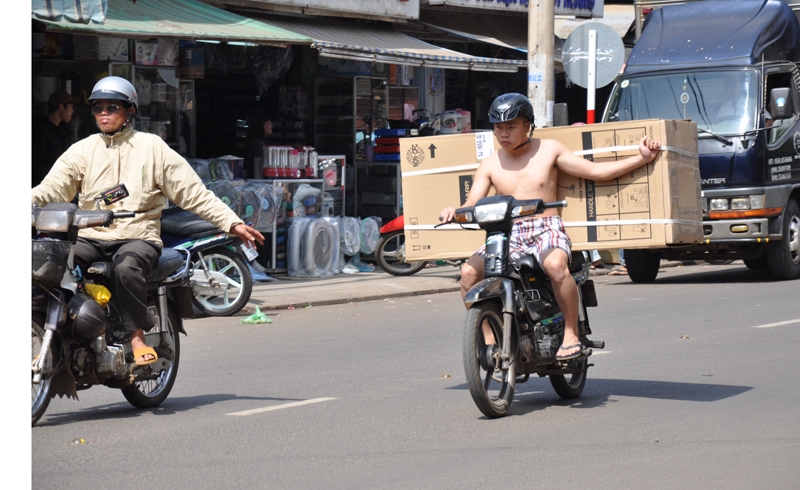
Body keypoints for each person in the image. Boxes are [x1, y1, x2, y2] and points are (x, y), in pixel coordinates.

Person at [32, 76, 265, 366]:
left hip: (138, 237)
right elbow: (51, 188)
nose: (104, 113)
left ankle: (137, 337)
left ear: (130, 110)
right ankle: (68, 329)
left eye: (111, 107)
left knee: (126, 268)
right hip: (90, 237)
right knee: (53, 263)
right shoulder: (83, 150)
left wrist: (232, 223)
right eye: (97, 108)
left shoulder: (152, 148)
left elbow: (192, 192)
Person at [440, 93, 661, 360]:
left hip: (546, 227)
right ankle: (488, 339)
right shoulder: (490, 163)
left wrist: (642, 158)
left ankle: (570, 333)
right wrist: (455, 210)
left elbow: (596, 173)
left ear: (527, 126)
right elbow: (472, 202)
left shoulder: (550, 149)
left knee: (556, 266)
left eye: (511, 126)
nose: (504, 133)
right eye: (498, 127)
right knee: (467, 274)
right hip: (507, 232)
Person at [32, 90, 79, 186]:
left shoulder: (62, 129)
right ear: (61, 107)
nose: (72, 111)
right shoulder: (40, 130)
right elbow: (37, 164)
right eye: (71, 107)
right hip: (45, 186)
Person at [245, 113, 273, 179]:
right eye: (269, 123)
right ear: (262, 125)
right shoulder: (256, 142)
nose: (271, 125)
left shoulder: (263, 141)